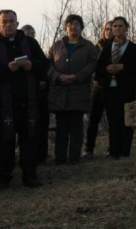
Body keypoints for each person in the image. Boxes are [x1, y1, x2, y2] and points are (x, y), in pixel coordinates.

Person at [0, 10, 49, 188]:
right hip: (5, 104)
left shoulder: (30, 43)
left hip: (29, 102)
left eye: (12, 21)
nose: (8, 25)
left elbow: (45, 66)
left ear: (17, 24)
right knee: (5, 141)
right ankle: (4, 177)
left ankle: (30, 175)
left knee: (29, 139)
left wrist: (31, 65)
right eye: (4, 22)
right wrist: (6, 69)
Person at [48, 15, 98, 165]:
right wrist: (58, 76)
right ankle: (60, 157)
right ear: (65, 27)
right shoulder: (57, 46)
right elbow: (48, 65)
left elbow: (92, 65)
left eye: (77, 24)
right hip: (60, 92)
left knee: (76, 126)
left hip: (79, 90)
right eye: (70, 24)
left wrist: (77, 76)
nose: (73, 27)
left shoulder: (89, 46)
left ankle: (74, 157)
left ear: (81, 27)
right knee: (61, 127)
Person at [95, 16, 136, 159]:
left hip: (127, 89)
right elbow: (98, 69)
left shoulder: (132, 47)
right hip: (110, 89)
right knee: (113, 120)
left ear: (126, 28)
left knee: (126, 120)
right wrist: (107, 68)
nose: (117, 29)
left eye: (120, 26)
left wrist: (123, 67)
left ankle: (125, 151)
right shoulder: (107, 48)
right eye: (114, 26)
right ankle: (113, 151)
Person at [83, 20, 113, 159]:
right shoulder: (96, 47)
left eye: (111, 29)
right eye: (106, 29)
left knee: (113, 119)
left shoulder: (120, 46)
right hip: (98, 86)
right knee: (93, 119)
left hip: (113, 87)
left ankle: (112, 149)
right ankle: (89, 149)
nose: (109, 31)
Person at [21, 24, 50, 164]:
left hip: (40, 95)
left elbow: (45, 66)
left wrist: (44, 82)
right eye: (27, 33)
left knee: (41, 127)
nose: (30, 36)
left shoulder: (37, 48)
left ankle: (42, 156)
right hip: (24, 95)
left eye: (32, 33)